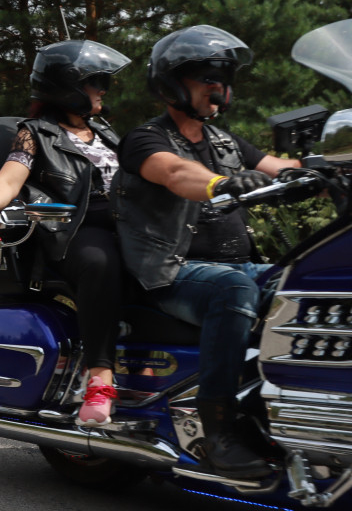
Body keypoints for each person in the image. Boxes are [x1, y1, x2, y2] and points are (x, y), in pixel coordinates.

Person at [111, 24, 301, 478]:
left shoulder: (225, 141)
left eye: (223, 80)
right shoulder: (144, 139)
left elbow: (280, 168)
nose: (219, 88)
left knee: (303, 277)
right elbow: (176, 173)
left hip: (231, 265)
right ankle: (218, 431)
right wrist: (222, 183)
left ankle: (285, 409)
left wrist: (325, 169)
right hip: (170, 272)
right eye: (207, 78)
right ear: (174, 82)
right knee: (234, 288)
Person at [0, 39, 131, 427]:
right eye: (94, 82)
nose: (102, 91)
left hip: (129, 223)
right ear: (68, 87)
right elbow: (10, 178)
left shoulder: (106, 132)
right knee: (100, 261)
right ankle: (100, 379)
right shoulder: (35, 133)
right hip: (78, 230)